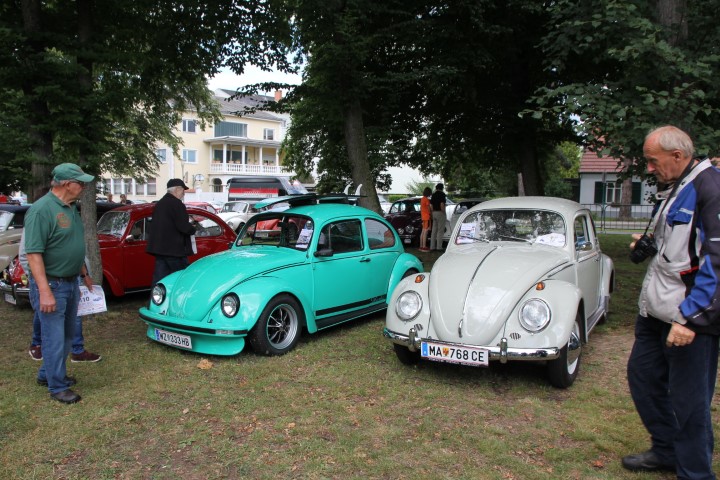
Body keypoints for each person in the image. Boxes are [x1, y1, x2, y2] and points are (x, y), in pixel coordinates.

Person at [622, 126, 720, 478]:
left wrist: (690, 319)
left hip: (687, 318)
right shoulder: (680, 185)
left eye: (652, 161)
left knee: (689, 403)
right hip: (654, 312)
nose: (649, 168)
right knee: (643, 378)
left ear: (677, 156)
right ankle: (665, 450)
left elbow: (717, 260)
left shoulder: (711, 187)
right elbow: (680, 247)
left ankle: (694, 472)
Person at [25, 163, 95, 404]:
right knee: (54, 336)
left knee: (66, 334)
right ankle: (57, 387)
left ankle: (47, 374)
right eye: (81, 183)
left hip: (71, 281)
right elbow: (33, 254)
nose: (84, 187)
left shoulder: (71, 207)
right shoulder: (41, 210)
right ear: (67, 184)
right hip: (52, 284)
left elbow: (71, 244)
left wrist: (84, 272)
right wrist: (44, 291)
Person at [21, 229, 102, 363]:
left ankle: (76, 350)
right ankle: (38, 345)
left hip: (71, 276)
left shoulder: (68, 218)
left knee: (74, 314)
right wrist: (39, 282)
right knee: (47, 316)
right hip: (49, 279)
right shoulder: (38, 218)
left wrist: (84, 275)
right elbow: (27, 255)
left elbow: (73, 250)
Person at [146, 178, 196, 286]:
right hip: (174, 250)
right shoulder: (177, 204)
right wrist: (193, 229)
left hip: (160, 249)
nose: (184, 193)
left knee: (160, 281)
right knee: (182, 279)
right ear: (177, 189)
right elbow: (183, 226)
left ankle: (156, 300)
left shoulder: (160, 204)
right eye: (183, 190)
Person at [429, 183, 447, 251]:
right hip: (440, 213)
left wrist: (432, 212)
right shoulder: (442, 194)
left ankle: (432, 247)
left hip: (434, 213)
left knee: (434, 231)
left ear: (436, 188)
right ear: (442, 188)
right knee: (440, 231)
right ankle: (439, 247)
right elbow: (442, 204)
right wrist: (444, 212)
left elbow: (431, 205)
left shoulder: (433, 195)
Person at [419, 187, 432, 252]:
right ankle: (424, 246)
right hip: (427, 217)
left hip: (423, 216)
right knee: (425, 232)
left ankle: (421, 246)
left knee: (423, 231)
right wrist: (430, 213)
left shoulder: (422, 199)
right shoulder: (426, 200)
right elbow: (428, 208)